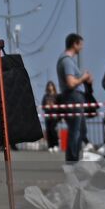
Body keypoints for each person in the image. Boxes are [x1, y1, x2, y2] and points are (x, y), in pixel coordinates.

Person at [56, 34, 90, 162]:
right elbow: (71, 82)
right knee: (76, 130)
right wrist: (83, 78)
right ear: (75, 44)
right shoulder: (67, 61)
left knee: (78, 129)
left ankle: (73, 159)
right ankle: (73, 160)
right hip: (73, 97)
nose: (81, 47)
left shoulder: (65, 60)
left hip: (71, 97)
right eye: (80, 44)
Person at [41, 80, 61, 152]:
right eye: (49, 85)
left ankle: (56, 145)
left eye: (51, 85)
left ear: (53, 87)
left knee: (53, 130)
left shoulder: (56, 96)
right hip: (47, 116)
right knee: (48, 131)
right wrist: (46, 106)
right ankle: (50, 146)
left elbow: (60, 106)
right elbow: (43, 106)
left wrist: (53, 106)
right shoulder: (45, 96)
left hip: (55, 116)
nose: (50, 87)